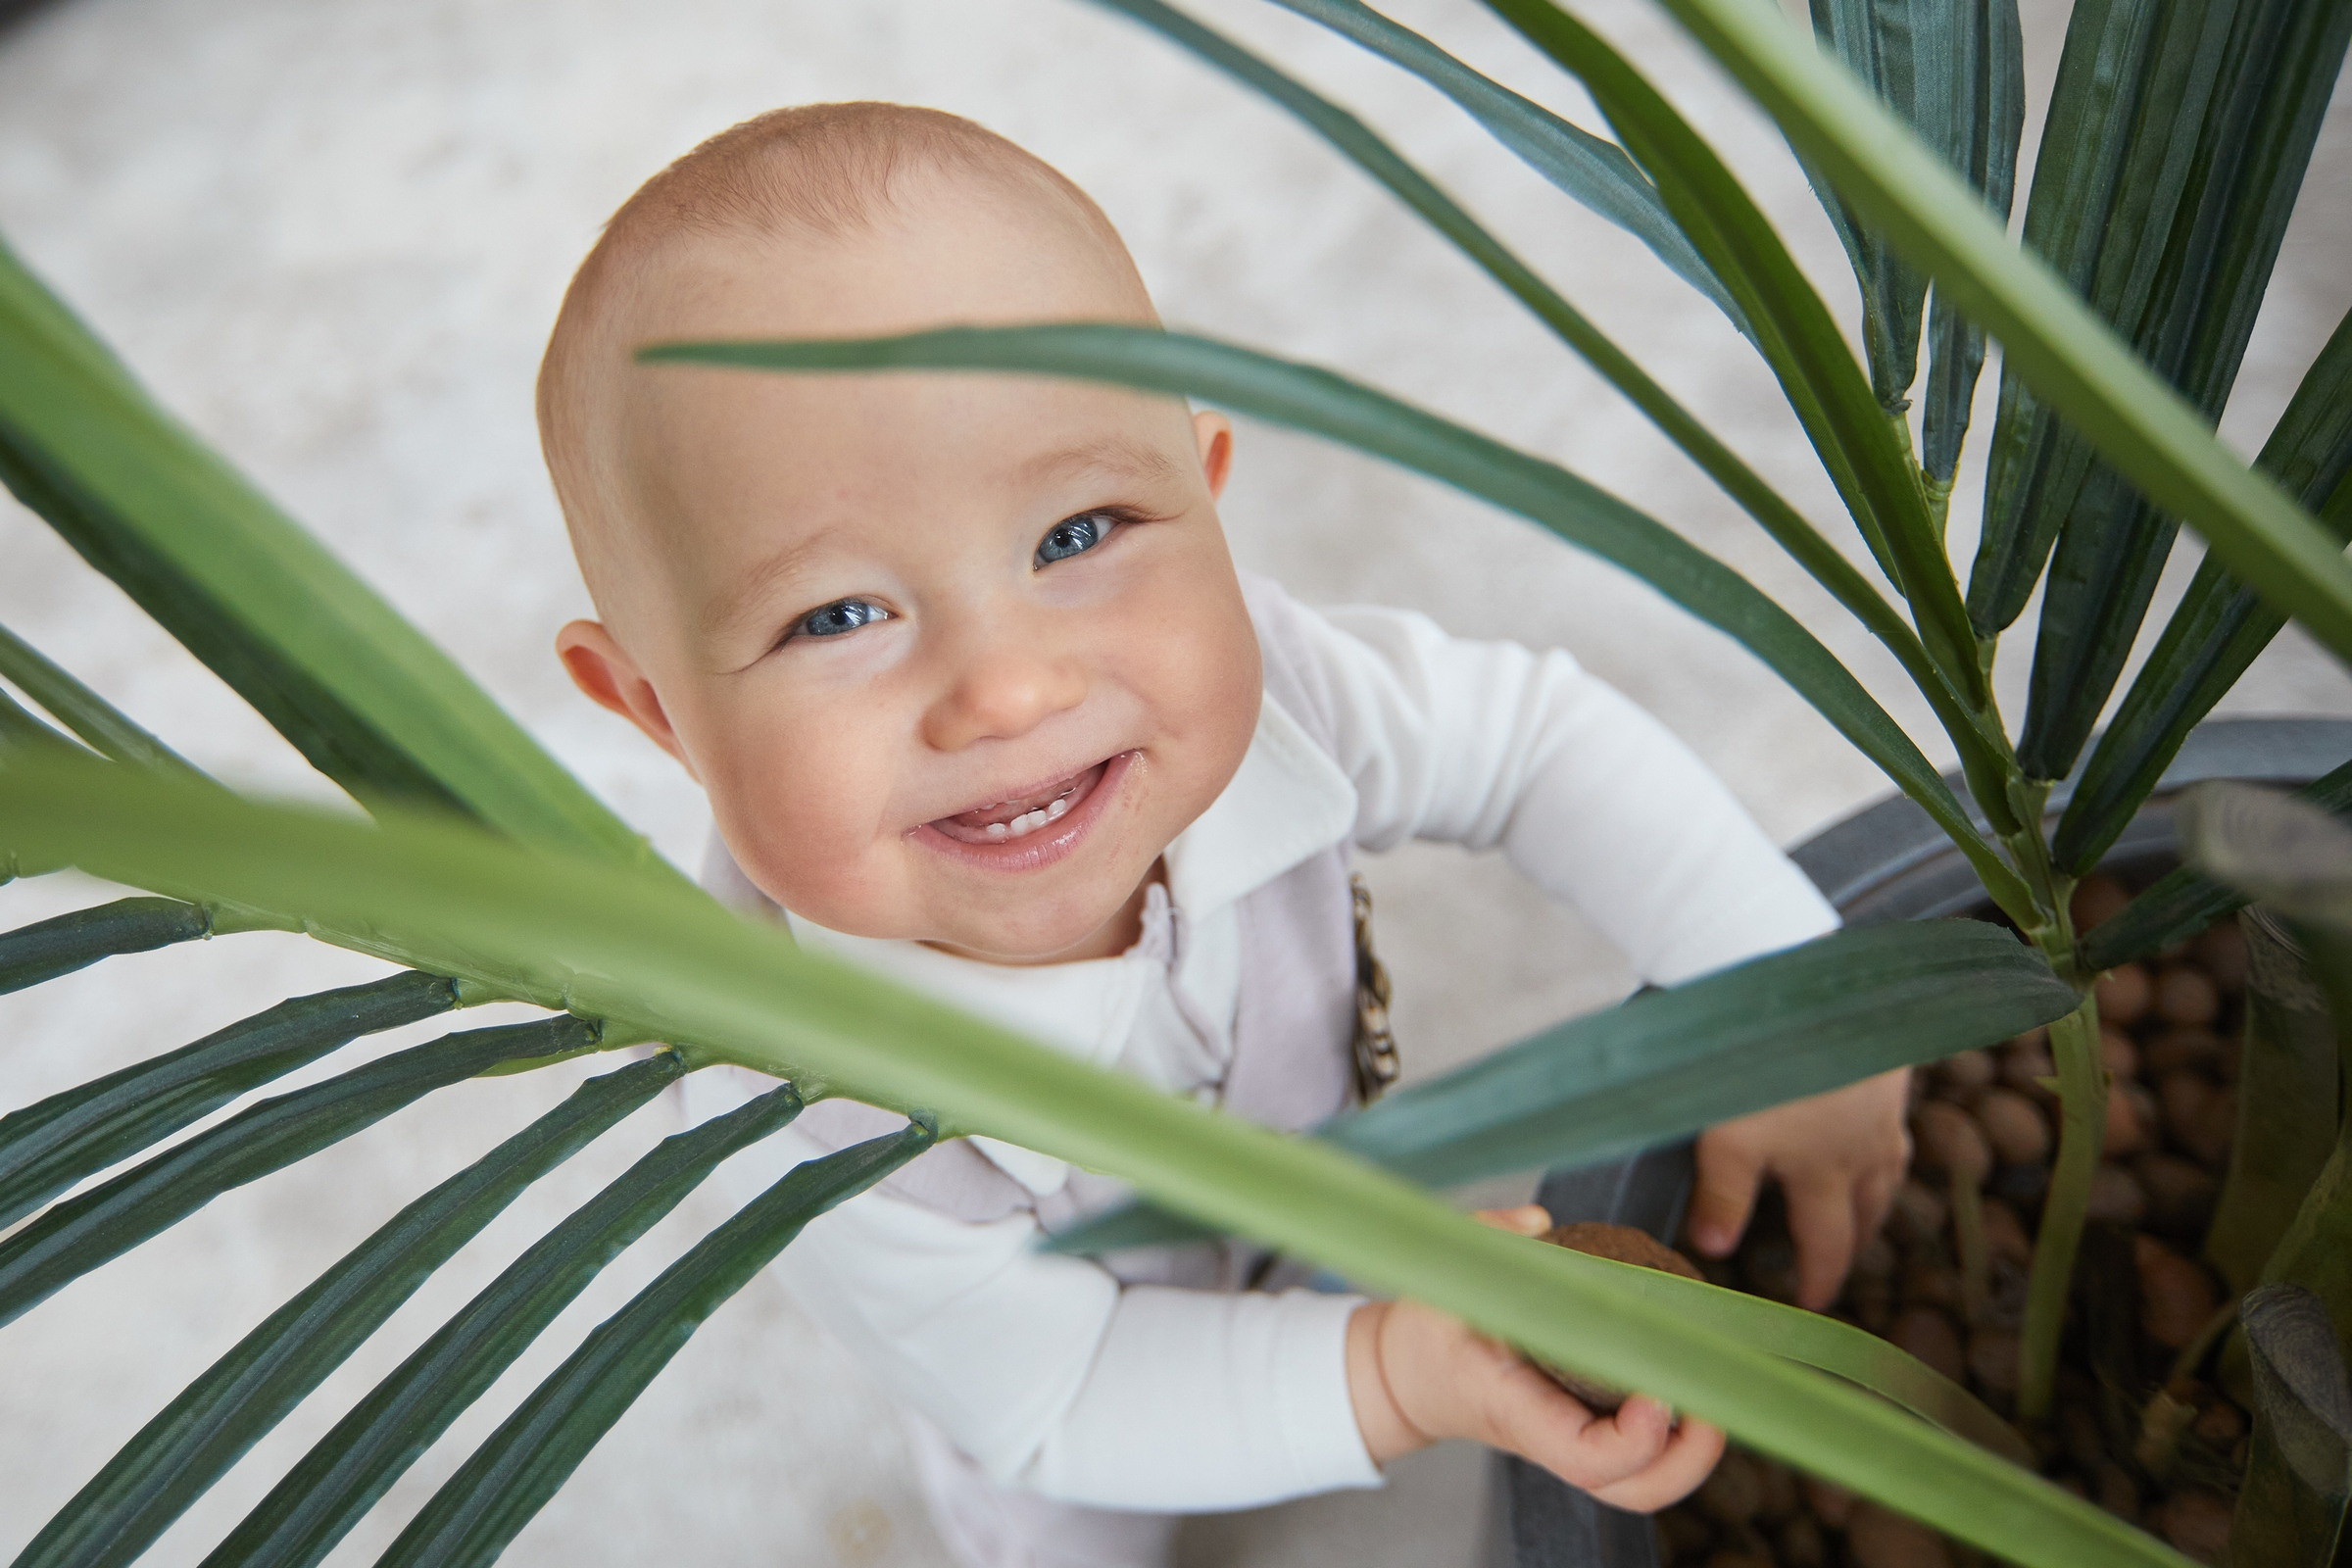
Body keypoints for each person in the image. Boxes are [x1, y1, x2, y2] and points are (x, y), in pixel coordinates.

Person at [538, 101, 1908, 1568]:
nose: (1009, 690)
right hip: (1070, 1419)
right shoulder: (803, 1105)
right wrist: (1387, 1375)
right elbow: (1058, 1394)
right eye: (839, 615)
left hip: (1333, 1194)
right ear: (659, 713)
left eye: (1077, 534)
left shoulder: (1281, 692)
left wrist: (1780, 1002)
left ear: (1206, 491)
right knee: (1085, 1536)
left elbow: (1532, 745)